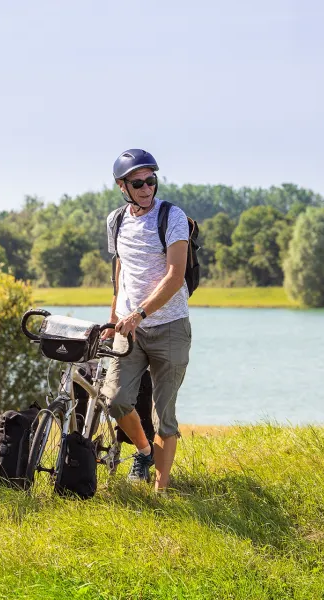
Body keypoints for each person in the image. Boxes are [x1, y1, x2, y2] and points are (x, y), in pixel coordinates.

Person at [102, 149, 192, 492]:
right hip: (128, 329)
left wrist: (140, 313)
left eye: (150, 180)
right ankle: (143, 451)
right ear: (122, 186)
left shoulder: (172, 216)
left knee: (162, 415)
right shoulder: (116, 220)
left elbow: (175, 275)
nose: (146, 187)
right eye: (137, 182)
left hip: (169, 327)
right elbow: (120, 267)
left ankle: (161, 489)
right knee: (116, 399)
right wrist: (114, 318)